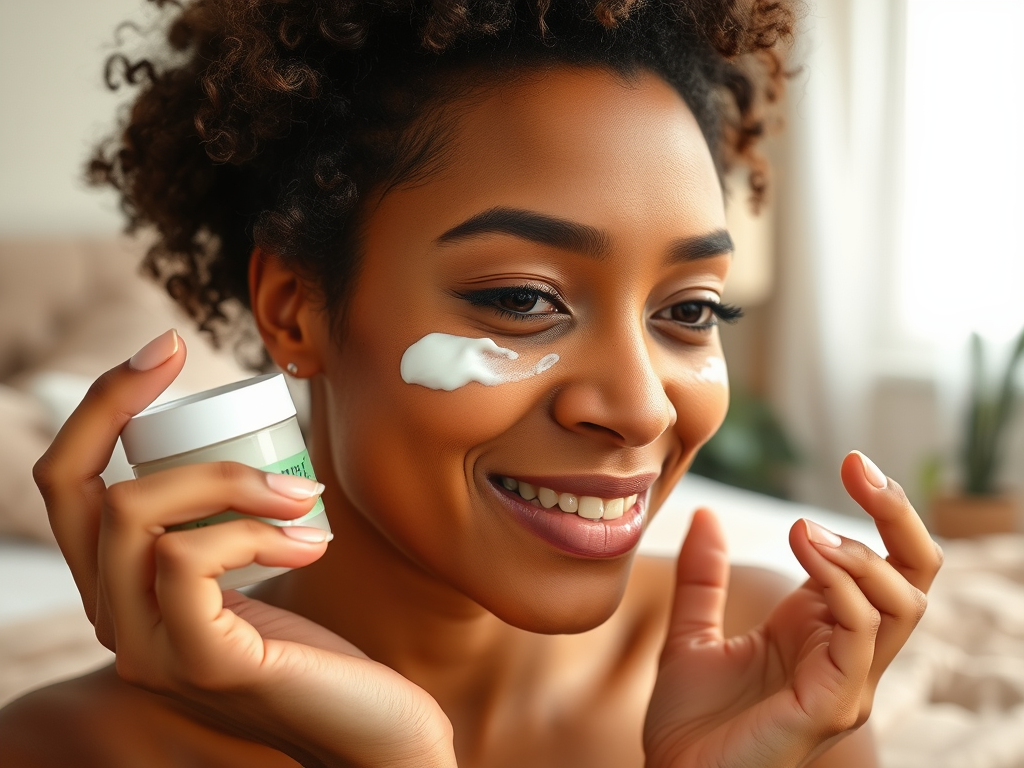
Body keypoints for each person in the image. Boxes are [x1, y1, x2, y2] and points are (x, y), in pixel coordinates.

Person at [0, 0, 943, 765]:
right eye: (522, 299)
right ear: (295, 309)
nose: (642, 407)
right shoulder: (66, 748)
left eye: (690, 310)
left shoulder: (768, 667)